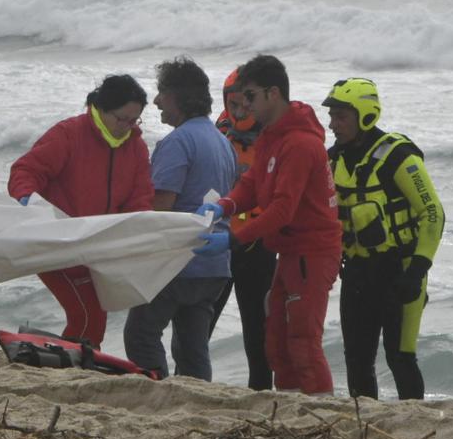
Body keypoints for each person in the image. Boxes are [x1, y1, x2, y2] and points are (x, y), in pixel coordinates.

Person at [194, 55, 342, 395]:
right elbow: (254, 183)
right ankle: (290, 409)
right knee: (276, 342)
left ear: (272, 94)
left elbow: (282, 209)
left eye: (250, 96)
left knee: (304, 342)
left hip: (312, 252)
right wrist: (225, 205)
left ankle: (323, 411)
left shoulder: (301, 144)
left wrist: (232, 239)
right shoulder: (271, 136)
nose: (244, 106)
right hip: (288, 252)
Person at [8, 74, 154, 348]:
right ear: (101, 108)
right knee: (88, 314)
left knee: (93, 316)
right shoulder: (69, 134)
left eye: (133, 120)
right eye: (121, 118)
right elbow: (26, 170)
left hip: (96, 249)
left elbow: (140, 199)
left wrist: (139, 233)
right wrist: (27, 199)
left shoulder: (136, 148)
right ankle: (76, 368)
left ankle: (71, 361)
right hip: (55, 243)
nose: (126, 127)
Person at [323, 78, 445, 400]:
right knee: (357, 361)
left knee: (401, 358)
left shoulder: (398, 156)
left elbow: (433, 214)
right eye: (332, 116)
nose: (333, 124)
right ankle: (365, 428)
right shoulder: (332, 160)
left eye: (340, 117)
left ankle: (414, 424)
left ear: (365, 115)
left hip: (400, 273)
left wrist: (416, 272)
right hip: (359, 274)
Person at [122, 58, 237, 380]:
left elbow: (162, 211)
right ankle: (196, 399)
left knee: (141, 335)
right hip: (214, 264)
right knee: (192, 347)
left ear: (179, 96)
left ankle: (156, 395)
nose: (156, 101)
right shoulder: (221, 141)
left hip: (178, 264)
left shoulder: (178, 142)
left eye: (161, 93)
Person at [208, 68, 279, 390]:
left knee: (260, 333)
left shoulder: (280, 137)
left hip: (259, 246)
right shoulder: (217, 132)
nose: (238, 113)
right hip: (219, 244)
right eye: (232, 104)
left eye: (246, 106)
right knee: (199, 327)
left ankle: (261, 396)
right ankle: (191, 387)